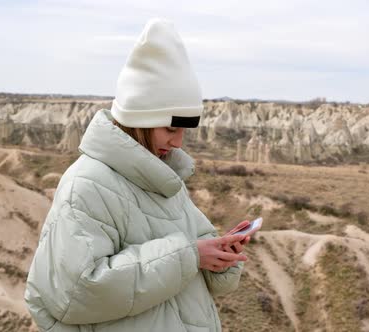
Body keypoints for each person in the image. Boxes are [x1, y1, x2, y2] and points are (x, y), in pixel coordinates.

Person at [25, 18, 251, 332]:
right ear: (139, 121)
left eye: (183, 131)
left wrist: (220, 255)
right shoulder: (87, 185)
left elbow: (198, 272)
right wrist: (189, 257)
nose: (177, 142)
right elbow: (76, 291)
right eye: (171, 129)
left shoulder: (164, 180)